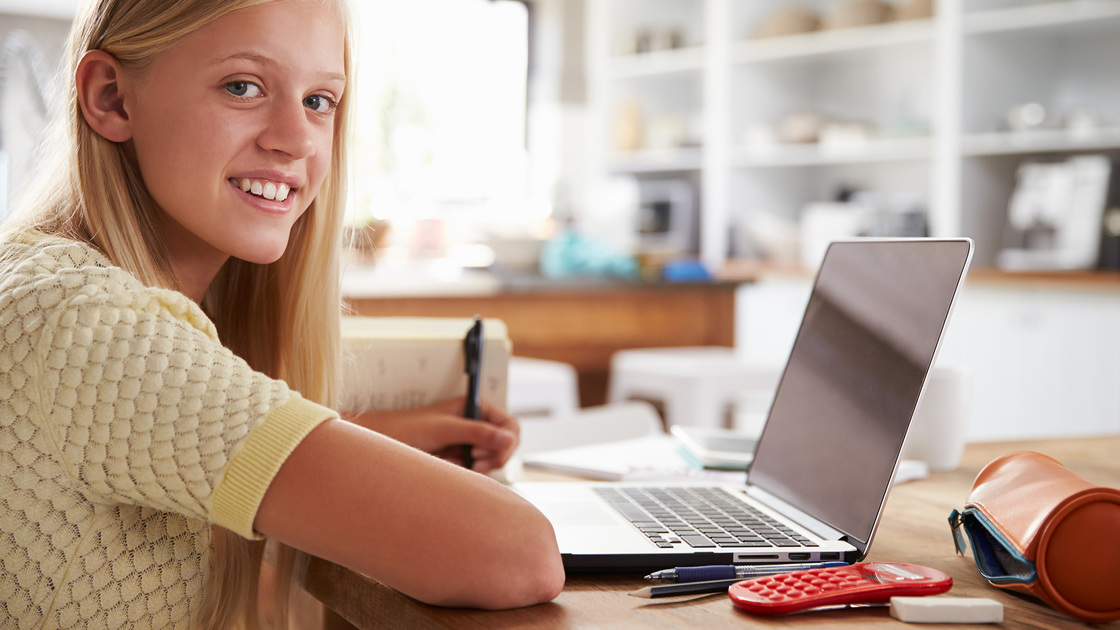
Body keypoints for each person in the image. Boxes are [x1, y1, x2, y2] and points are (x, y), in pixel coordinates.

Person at [0, 0, 565, 628]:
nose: (296, 139)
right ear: (111, 98)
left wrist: (374, 436)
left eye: (319, 101)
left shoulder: (58, 294)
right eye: (242, 87)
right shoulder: (87, 322)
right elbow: (518, 555)